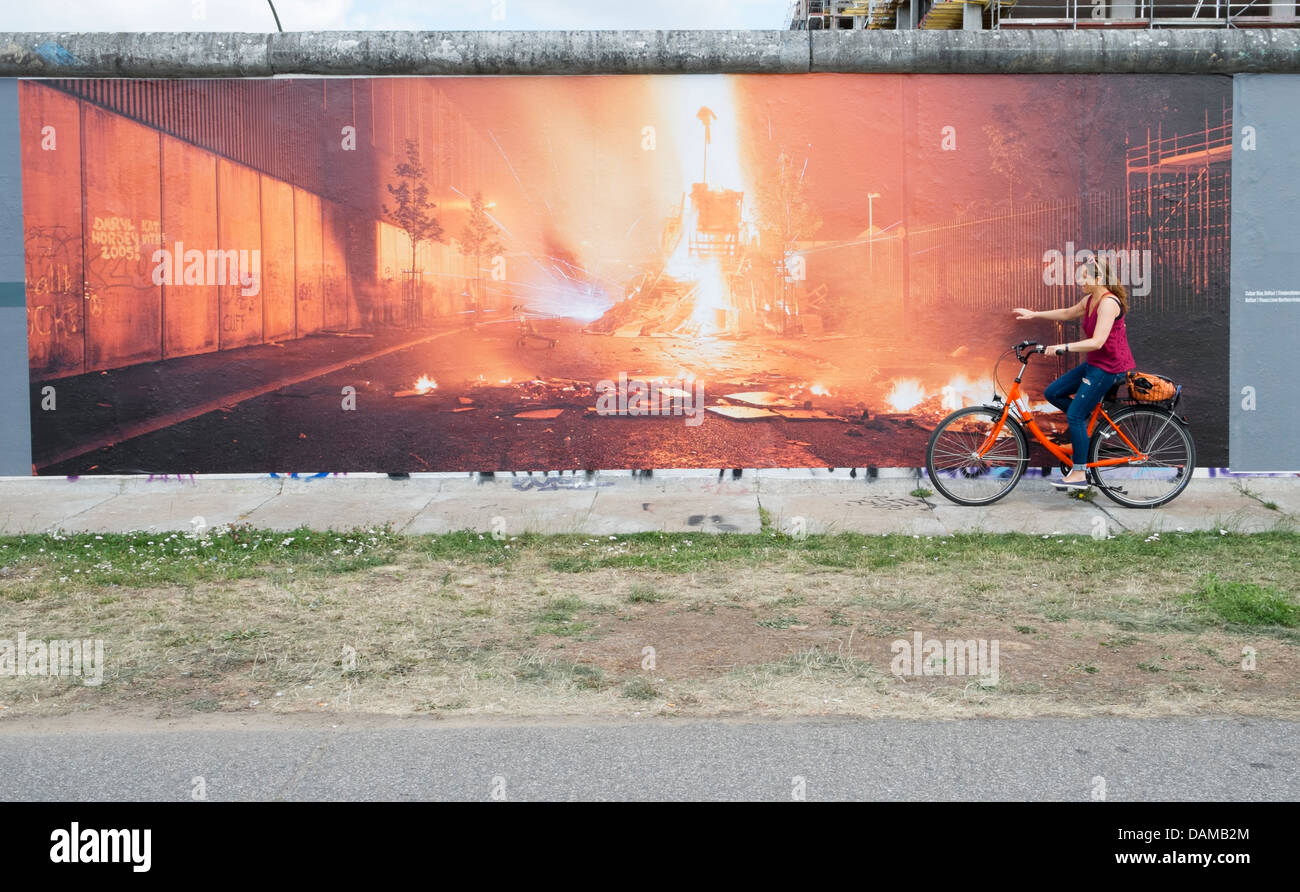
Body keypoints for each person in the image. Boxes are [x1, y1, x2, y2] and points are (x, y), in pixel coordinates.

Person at [1012, 257, 1136, 491]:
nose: (1080, 282)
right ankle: (1083, 429)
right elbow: (1068, 313)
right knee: (1053, 392)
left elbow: (1098, 342)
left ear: (1098, 279)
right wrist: (1034, 314)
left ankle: (1079, 473)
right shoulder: (1090, 300)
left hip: (1107, 367)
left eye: (1085, 277)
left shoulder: (1109, 303)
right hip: (1094, 364)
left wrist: (1063, 347)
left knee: (1075, 416)